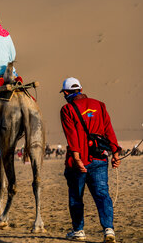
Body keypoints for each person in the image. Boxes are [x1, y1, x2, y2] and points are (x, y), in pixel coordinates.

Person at [60, 77, 121, 242]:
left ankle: (79, 231)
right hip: (100, 158)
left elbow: (71, 135)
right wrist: (115, 152)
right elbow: (108, 128)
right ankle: (109, 230)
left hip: (78, 162)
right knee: (102, 195)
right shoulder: (99, 105)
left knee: (76, 197)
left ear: (66, 93)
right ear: (80, 89)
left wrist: (77, 158)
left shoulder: (67, 109)